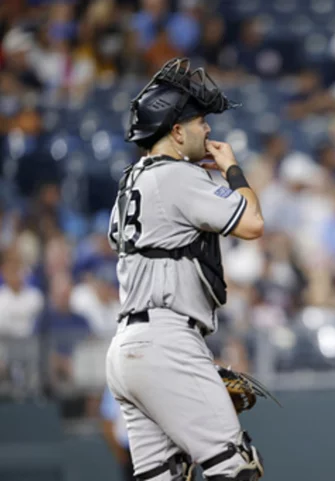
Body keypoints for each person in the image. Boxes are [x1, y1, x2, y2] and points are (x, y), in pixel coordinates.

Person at [105, 58, 265, 481]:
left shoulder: (131, 180)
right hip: (166, 340)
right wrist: (234, 171)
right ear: (176, 132)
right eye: (199, 122)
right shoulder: (175, 177)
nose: (208, 130)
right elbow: (252, 223)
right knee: (236, 468)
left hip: (127, 349)